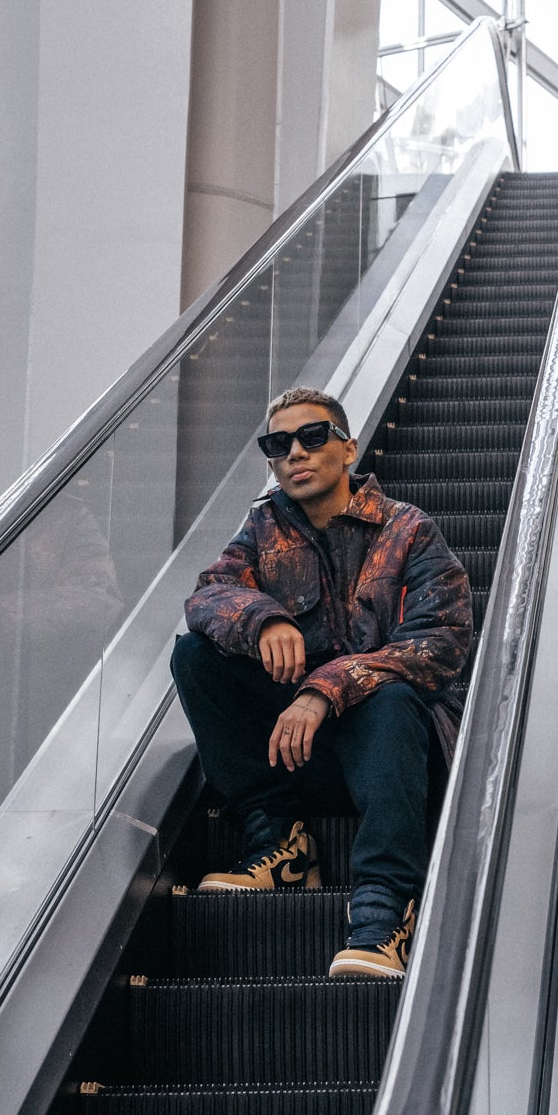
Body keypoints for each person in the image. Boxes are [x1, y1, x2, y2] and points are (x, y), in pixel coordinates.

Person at [170, 387, 473, 977]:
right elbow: (208, 595)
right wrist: (263, 618)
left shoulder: (407, 530)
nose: (295, 454)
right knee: (196, 656)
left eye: (312, 437)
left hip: (396, 755)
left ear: (348, 448)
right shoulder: (262, 529)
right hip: (303, 755)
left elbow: (440, 643)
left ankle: (385, 909)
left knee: (391, 697)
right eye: (278, 444)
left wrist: (325, 686)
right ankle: (280, 842)